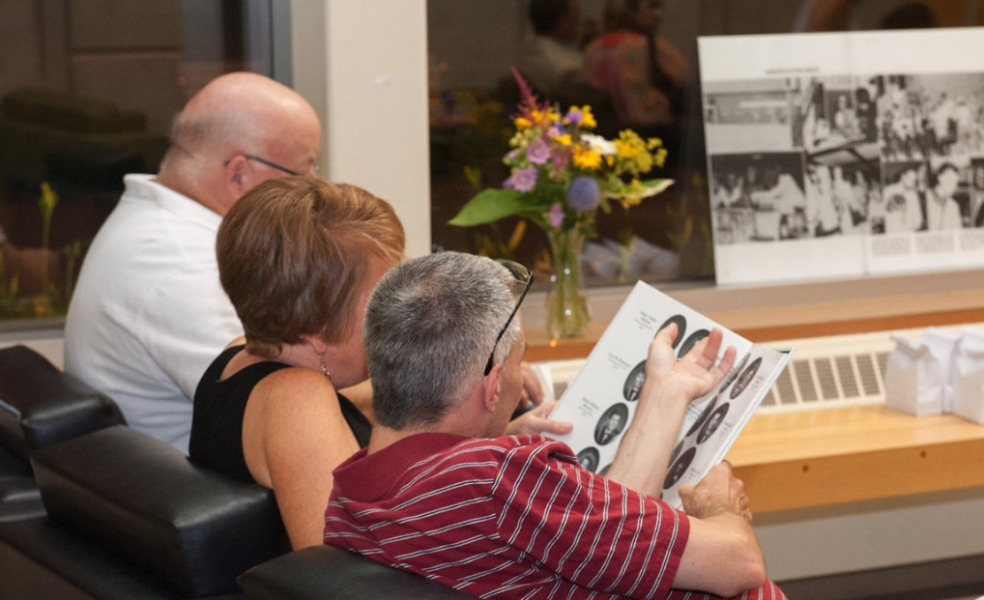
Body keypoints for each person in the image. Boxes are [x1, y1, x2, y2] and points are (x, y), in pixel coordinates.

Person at [325, 251, 787, 599]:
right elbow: (738, 560)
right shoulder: (496, 477)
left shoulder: (350, 495)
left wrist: (665, 395)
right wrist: (719, 509)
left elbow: (608, 538)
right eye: (517, 360)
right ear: (491, 386)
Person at [191, 179, 568, 549]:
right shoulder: (297, 398)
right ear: (316, 330)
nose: (401, 307)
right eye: (383, 295)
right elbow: (344, 566)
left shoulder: (240, 353)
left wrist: (496, 431)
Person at [64, 72, 321, 453]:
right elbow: (280, 405)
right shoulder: (181, 263)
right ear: (239, 174)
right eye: (304, 172)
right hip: (220, 489)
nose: (315, 185)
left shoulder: (160, 227)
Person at [582, 0, 690, 135]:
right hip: (649, 134)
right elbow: (689, 80)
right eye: (652, 6)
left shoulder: (593, 48)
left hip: (600, 136)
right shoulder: (649, 46)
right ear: (630, 10)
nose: (659, 15)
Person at [516, 0, 585, 98]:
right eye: (574, 16)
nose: (579, 23)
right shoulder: (569, 70)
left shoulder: (527, 52)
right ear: (562, 22)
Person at [924, 162, 963, 230]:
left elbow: (958, 231)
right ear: (940, 177)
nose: (954, 186)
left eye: (955, 182)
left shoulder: (954, 206)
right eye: (950, 180)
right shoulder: (925, 198)